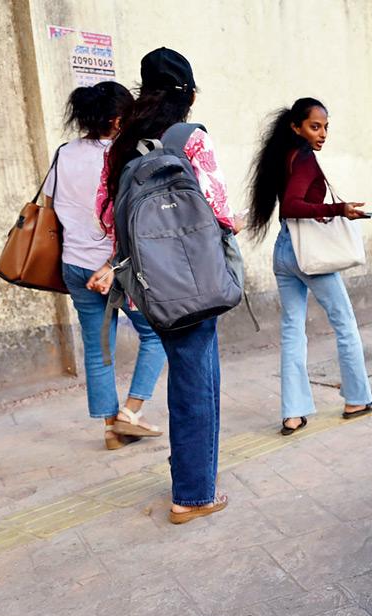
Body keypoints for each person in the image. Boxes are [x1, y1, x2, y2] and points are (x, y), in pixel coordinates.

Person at [96, 48, 240, 524]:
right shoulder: (191, 139)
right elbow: (218, 210)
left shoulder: (120, 144)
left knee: (188, 373)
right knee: (197, 382)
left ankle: (194, 478)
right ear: (190, 92)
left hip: (143, 282)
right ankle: (193, 494)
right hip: (194, 279)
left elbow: (104, 215)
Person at [246, 97, 372, 437]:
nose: (322, 134)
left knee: (292, 329)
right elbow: (292, 206)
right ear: (296, 127)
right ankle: (357, 399)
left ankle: (292, 413)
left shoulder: (281, 156)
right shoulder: (304, 158)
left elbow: (289, 205)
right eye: (314, 127)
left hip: (284, 251)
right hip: (310, 255)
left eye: (325, 127)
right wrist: (340, 209)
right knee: (345, 322)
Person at [42, 81, 165, 451]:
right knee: (157, 334)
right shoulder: (125, 155)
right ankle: (130, 413)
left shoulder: (64, 153)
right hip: (117, 268)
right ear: (116, 119)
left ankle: (111, 430)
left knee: (99, 350)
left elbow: (50, 207)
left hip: (74, 266)